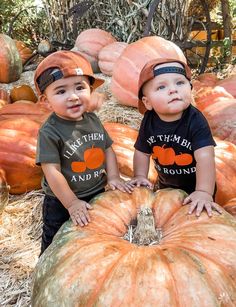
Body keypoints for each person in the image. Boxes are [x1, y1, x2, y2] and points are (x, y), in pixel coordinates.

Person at [34, 50, 132, 254]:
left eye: (80, 87)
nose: (73, 96)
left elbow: (107, 149)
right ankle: (49, 273)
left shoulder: (93, 120)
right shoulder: (50, 131)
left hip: (96, 192)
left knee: (93, 236)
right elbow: (52, 171)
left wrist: (113, 176)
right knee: (54, 242)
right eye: (61, 92)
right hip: (61, 201)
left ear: (90, 90)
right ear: (45, 101)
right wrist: (71, 203)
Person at [129, 58, 222, 217]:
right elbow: (142, 152)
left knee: (196, 220)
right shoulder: (149, 120)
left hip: (196, 186)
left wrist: (204, 191)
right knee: (166, 218)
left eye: (179, 83)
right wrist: (139, 176)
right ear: (147, 102)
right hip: (166, 186)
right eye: (161, 87)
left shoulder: (195, 120)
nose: (173, 90)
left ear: (190, 89)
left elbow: (205, 156)